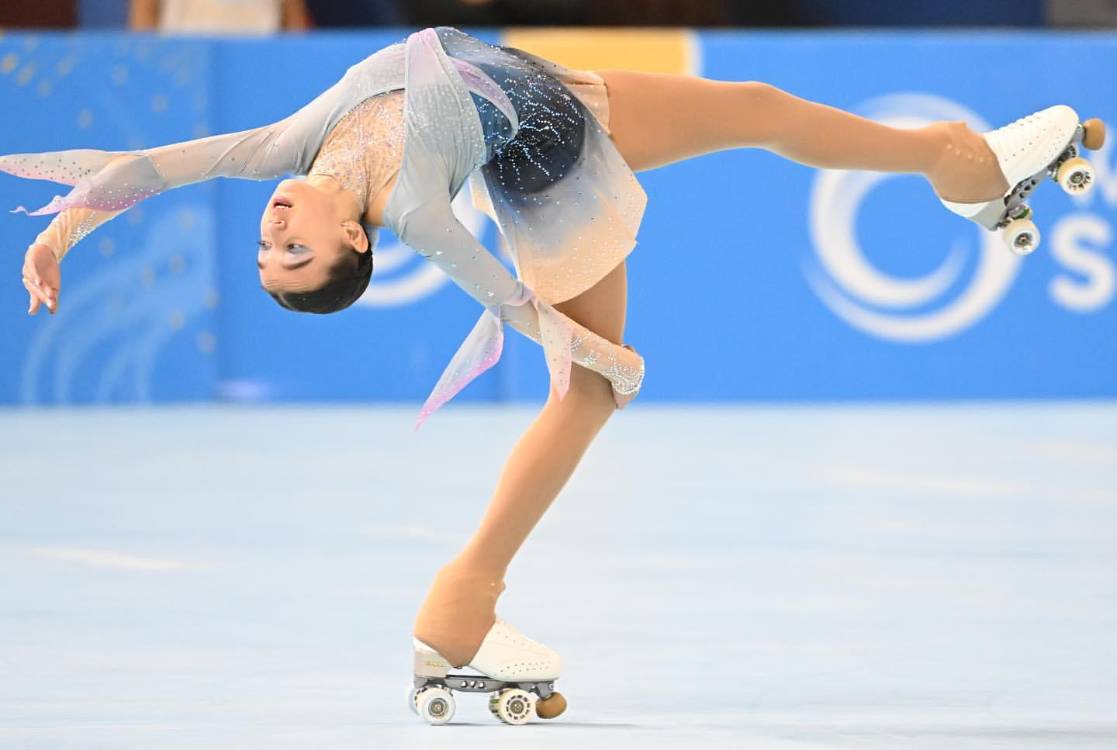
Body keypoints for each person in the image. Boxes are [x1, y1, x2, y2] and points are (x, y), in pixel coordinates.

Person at [6, 25, 1099, 725]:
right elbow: (497, 291)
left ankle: (969, 167)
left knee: (762, 106)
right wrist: (571, 343)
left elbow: (149, 167)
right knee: (588, 390)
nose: (274, 232)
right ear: (357, 245)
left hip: (556, 88)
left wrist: (62, 237)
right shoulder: (418, 208)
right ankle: (457, 613)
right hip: (556, 165)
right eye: (294, 256)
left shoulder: (291, 149)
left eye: (267, 248)